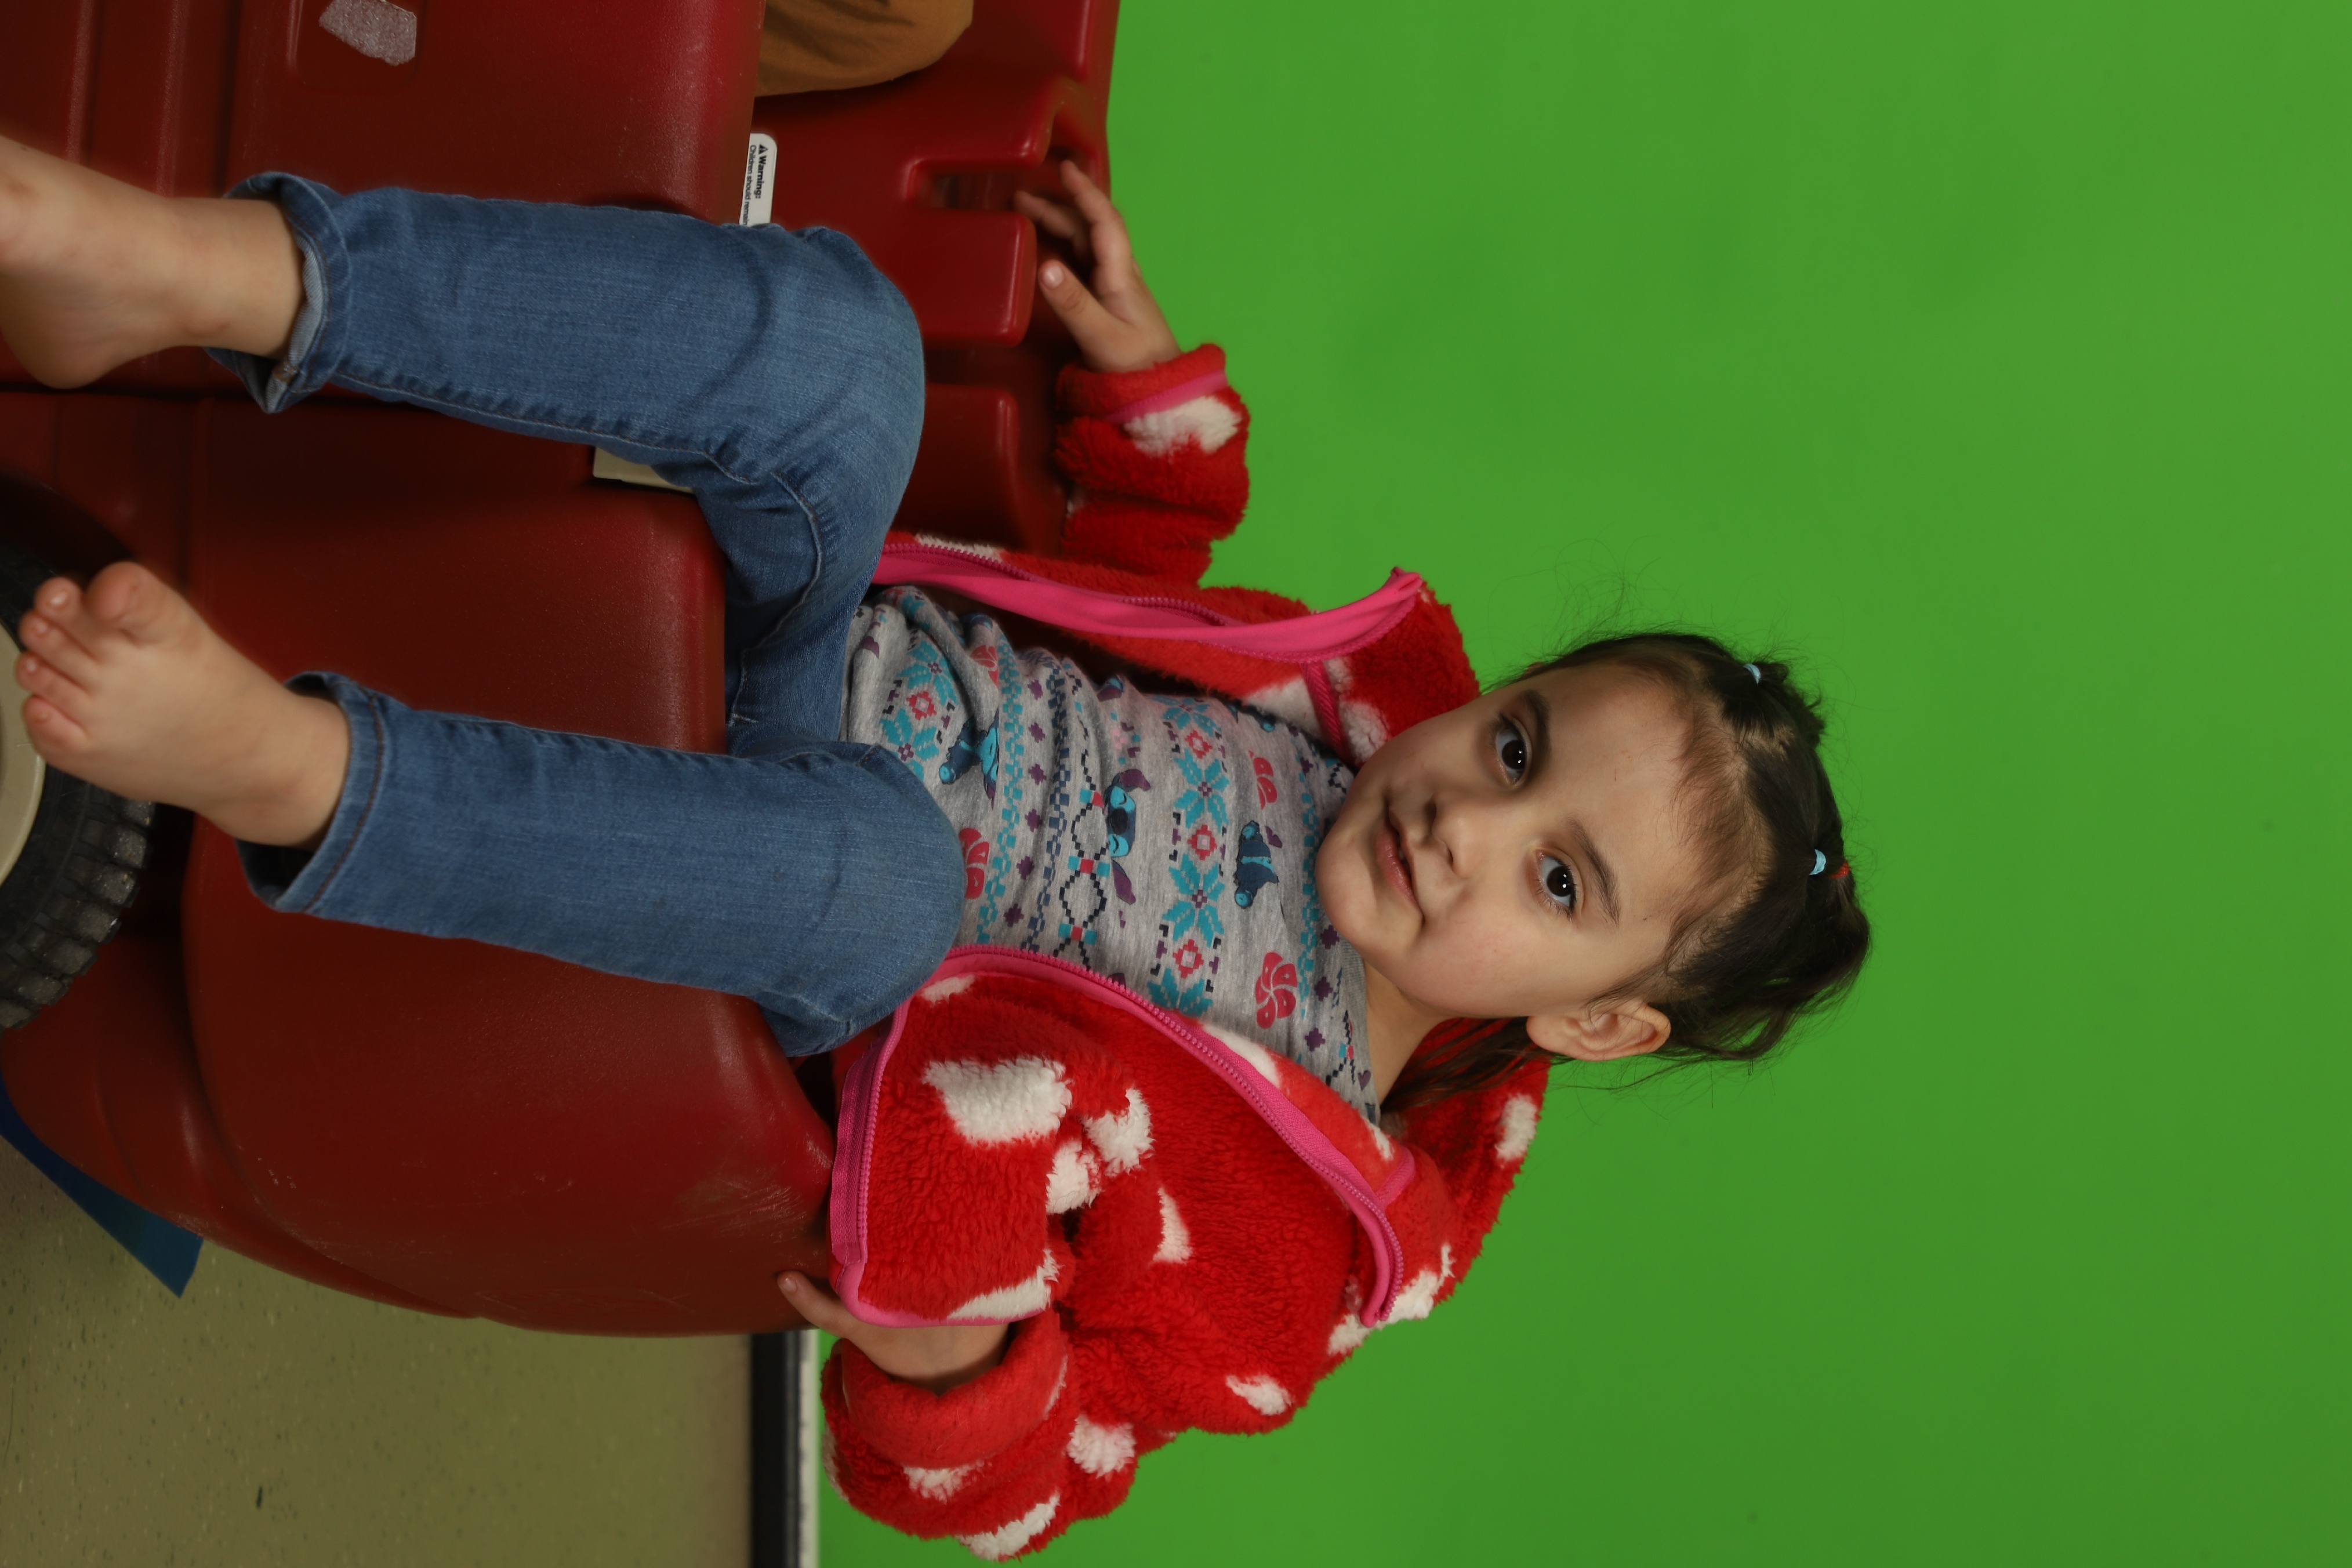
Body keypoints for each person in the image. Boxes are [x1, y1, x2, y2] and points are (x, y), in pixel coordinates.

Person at [0, 137, 1870, 1557]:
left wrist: (960, 1368)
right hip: (824, 648)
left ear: (1595, 1021)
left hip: (823, 964)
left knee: (888, 871)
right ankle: (178, 270)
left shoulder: (1300, 1262)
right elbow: (1131, 610)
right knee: (843, 346)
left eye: (1560, 882)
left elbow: (1041, 1477)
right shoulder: (1357, 724)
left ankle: (291, 771)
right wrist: (1156, 426)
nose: (1472, 818)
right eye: (1520, 743)